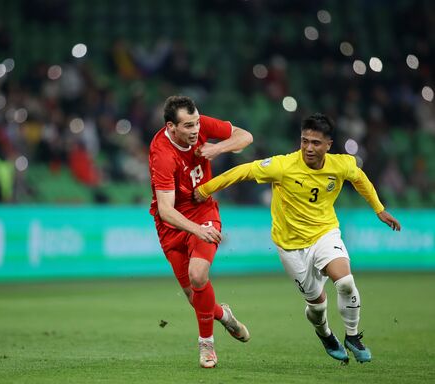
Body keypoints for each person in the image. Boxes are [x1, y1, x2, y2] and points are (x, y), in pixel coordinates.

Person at [194, 113, 401, 364]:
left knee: (345, 281)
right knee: (317, 304)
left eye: (315, 143)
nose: (309, 148)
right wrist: (205, 189)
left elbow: (360, 179)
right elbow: (243, 171)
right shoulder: (283, 166)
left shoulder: (342, 164)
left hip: (325, 233)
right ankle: (325, 334)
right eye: (304, 141)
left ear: (328, 145)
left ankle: (353, 336)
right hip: (290, 246)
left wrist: (379, 209)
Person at [148, 95, 253, 368]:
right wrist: (196, 230)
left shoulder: (201, 126)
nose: (195, 130)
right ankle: (224, 316)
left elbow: (245, 137)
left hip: (204, 210)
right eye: (188, 126)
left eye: (196, 123)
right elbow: (166, 210)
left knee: (198, 274)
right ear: (171, 127)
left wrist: (217, 149)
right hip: (172, 223)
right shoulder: (162, 153)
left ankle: (206, 346)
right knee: (194, 297)